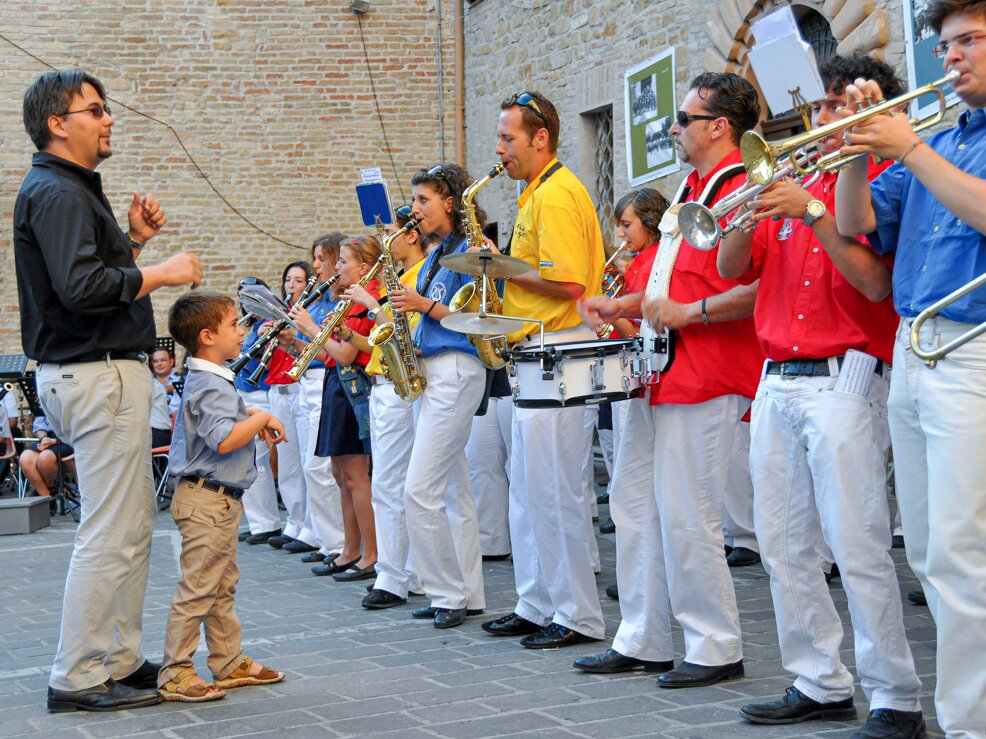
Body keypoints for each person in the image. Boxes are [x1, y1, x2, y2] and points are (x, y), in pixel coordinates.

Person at [717, 56, 925, 738]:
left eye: (840, 105)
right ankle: (819, 679)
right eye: (822, 106)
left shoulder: (888, 180)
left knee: (857, 543)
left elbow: (873, 284)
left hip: (847, 375)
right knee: (783, 545)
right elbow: (728, 268)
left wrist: (811, 212)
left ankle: (895, 694)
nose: (824, 117)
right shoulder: (791, 181)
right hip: (776, 376)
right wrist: (749, 204)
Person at [13, 69, 201, 712]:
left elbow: (89, 277)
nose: (108, 118)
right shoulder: (58, 192)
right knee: (109, 531)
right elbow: (82, 289)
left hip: (98, 373)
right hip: (96, 374)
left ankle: (117, 659)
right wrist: (161, 271)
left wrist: (135, 241)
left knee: (130, 526)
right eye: (94, 110)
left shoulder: (64, 189)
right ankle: (77, 675)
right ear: (57, 124)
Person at [576, 73, 763, 684]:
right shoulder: (691, 186)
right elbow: (670, 282)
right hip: (661, 367)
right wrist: (621, 304)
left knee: (688, 514)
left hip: (706, 370)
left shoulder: (743, 185)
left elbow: (751, 286)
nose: (674, 128)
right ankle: (643, 636)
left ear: (720, 126)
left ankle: (714, 646)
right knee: (634, 507)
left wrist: (687, 314)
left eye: (685, 118)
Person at [835, 2, 986, 733]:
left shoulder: (933, 147)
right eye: (947, 44)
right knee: (928, 551)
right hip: (917, 349)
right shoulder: (945, 138)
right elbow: (853, 221)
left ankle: (968, 724)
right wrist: (858, 142)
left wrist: (911, 145)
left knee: (962, 552)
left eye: (969, 41)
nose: (951, 57)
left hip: (972, 348)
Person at [479, 91, 606, 649]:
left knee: (556, 489)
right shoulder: (536, 191)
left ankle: (576, 613)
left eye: (507, 138)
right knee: (530, 488)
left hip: (558, 346)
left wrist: (500, 268)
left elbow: (569, 284)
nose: (499, 149)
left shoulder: (554, 195)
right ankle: (536, 603)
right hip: (538, 349)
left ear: (540, 138)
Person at [160, 291, 286, 702]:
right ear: (208, 336)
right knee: (199, 588)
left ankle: (227, 660)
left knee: (220, 585)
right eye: (234, 324)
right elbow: (225, 439)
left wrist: (250, 417)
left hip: (217, 501)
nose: (242, 331)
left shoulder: (211, 379)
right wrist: (262, 416)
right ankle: (176, 671)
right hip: (207, 502)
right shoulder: (211, 384)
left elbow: (223, 425)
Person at [386, 163, 488, 629]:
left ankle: (446, 593)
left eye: (422, 200)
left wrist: (422, 305)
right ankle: (468, 592)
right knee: (453, 491)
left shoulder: (474, 250)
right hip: (433, 371)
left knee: (419, 490)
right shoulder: (434, 255)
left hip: (456, 368)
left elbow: (478, 319)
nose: (414, 209)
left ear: (450, 202)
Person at [343, 206, 428, 608]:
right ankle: (405, 572)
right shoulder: (402, 274)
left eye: (390, 233)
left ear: (411, 236)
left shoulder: (418, 275)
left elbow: (400, 333)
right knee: (390, 484)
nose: (384, 242)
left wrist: (370, 304)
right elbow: (380, 341)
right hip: (381, 384)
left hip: (397, 386)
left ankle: (394, 576)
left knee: (391, 484)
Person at [293, 236, 380, 581]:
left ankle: (371, 554)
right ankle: (350, 548)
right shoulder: (348, 300)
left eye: (343, 261)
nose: (337, 267)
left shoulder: (366, 299)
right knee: (340, 475)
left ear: (363, 267)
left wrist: (312, 328)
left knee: (357, 477)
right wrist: (297, 339)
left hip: (352, 387)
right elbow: (328, 352)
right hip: (336, 384)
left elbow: (346, 354)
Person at [280, 236, 347, 565]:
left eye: (322, 259)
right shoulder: (319, 300)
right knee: (311, 467)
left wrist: (304, 331)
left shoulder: (336, 301)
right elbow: (311, 351)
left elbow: (330, 353)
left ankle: (337, 542)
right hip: (309, 382)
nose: (316, 266)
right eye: (315, 259)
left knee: (320, 467)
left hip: (325, 381)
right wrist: (288, 342)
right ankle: (326, 538)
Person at [264, 261, 318, 553]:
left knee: (306, 459)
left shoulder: (310, 314)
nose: (292, 285)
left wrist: (292, 336)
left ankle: (312, 527)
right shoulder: (279, 313)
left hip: (300, 387)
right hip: (277, 390)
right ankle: (295, 522)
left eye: (298, 280)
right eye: (288, 280)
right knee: (286, 462)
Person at [232, 280, 283, 545]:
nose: (246, 303)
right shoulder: (250, 326)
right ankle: (259, 523)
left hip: (261, 394)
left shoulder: (269, 323)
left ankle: (268, 524)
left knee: (256, 460)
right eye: (243, 298)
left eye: (251, 297)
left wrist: (265, 337)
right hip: (244, 394)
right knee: (248, 461)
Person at [151, 346, 181, 415]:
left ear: (171, 362)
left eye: (163, 360)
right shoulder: (147, 380)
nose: (159, 364)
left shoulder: (181, 380)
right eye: (155, 361)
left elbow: (175, 411)